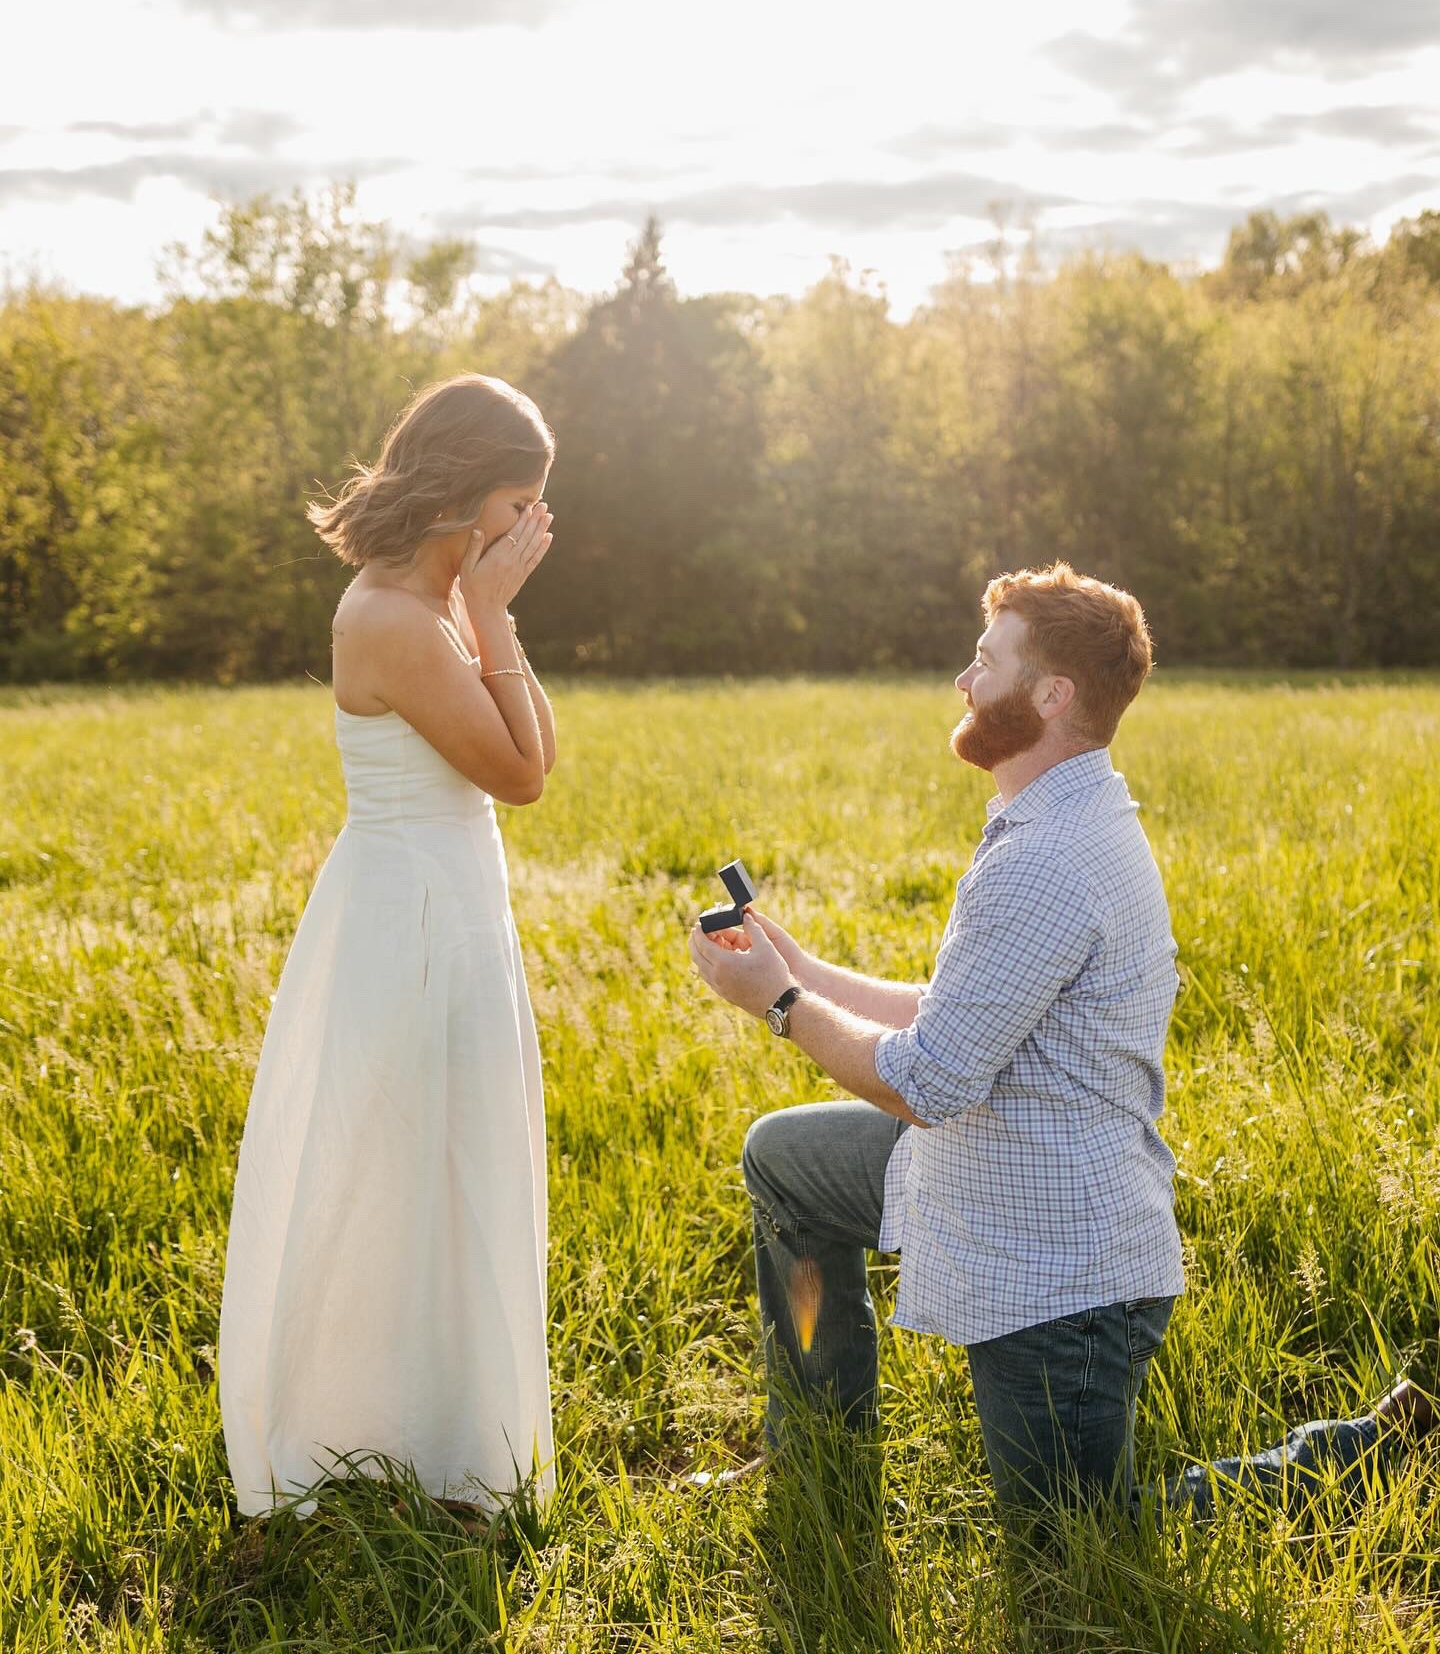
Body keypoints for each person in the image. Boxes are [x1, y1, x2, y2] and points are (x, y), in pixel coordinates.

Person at [689, 561, 1433, 1517]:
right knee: (785, 1163)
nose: (963, 680)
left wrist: (781, 1003)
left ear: (1051, 695)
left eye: (985, 661)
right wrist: (802, 968)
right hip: (989, 1173)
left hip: (1058, 1270)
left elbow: (927, 1083)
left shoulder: (1046, 858)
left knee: (1080, 1540)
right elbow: (957, 1015)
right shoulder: (1062, 813)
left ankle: (1364, 1451)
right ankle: (817, 1454)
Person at [219, 373, 558, 1523]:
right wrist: (496, 617)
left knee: (456, 1166)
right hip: (408, 914)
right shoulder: (390, 618)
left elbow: (535, 753)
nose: (532, 528)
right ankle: (367, 1429)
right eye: (519, 504)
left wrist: (494, 614)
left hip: (457, 904)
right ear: (464, 492)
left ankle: (451, 1431)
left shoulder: (445, 598)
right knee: (398, 1168)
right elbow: (518, 776)